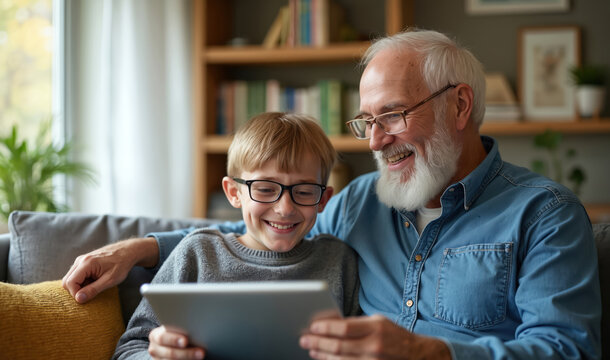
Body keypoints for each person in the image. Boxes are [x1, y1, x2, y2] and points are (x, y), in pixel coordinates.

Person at [63, 29, 601, 359]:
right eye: (366, 120)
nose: (374, 140)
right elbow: (264, 227)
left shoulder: (544, 214)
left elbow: (567, 350)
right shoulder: (359, 201)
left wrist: (428, 353)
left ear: (459, 107)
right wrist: (140, 248)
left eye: (391, 115)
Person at [111, 112, 360, 359]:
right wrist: (159, 356)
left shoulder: (339, 261)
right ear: (234, 193)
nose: (285, 208)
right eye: (264, 189)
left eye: (305, 191)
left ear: (324, 199)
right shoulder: (198, 253)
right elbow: (129, 350)